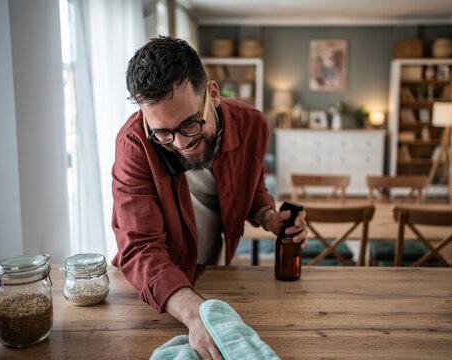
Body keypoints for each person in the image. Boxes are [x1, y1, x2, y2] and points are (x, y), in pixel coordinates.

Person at [111, 36, 308, 359]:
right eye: (162, 132)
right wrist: (197, 314)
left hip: (216, 275)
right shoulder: (134, 143)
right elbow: (139, 247)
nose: (179, 143)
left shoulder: (253, 124)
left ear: (213, 95)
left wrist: (268, 217)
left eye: (189, 124)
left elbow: (252, 183)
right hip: (158, 290)